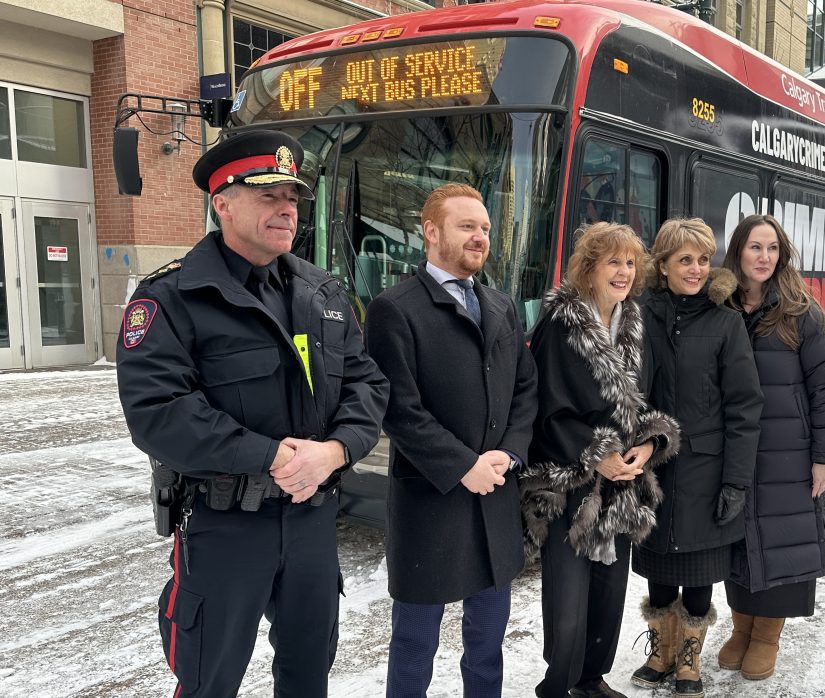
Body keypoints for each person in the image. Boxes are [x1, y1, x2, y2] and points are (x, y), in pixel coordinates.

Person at [116, 130, 390, 697]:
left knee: (309, 673)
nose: (287, 209)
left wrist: (335, 451)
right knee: (208, 680)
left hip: (312, 519)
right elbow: (159, 411)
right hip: (225, 527)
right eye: (269, 196)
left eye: (292, 197)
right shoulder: (171, 298)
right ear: (223, 203)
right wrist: (270, 455)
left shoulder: (324, 294)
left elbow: (367, 383)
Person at [364, 183, 538, 698]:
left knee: (487, 641)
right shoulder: (394, 308)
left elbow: (526, 389)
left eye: (485, 228)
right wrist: (464, 464)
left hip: (495, 498)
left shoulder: (502, 306)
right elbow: (398, 408)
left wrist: (508, 453)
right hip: (431, 501)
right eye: (468, 226)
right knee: (416, 642)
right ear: (431, 231)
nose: (480, 237)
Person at [520, 222, 680, 698]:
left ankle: (590, 680)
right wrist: (597, 456)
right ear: (588, 269)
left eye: (631, 262)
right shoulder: (560, 322)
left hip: (623, 487)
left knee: (608, 598)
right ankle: (558, 686)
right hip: (572, 485)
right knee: (568, 603)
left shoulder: (634, 321)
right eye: (613, 261)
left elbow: (652, 401)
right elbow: (545, 408)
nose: (624, 272)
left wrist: (650, 445)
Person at [630, 218, 763, 698]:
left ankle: (689, 659)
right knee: (658, 566)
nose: (696, 269)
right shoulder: (638, 313)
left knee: (699, 572)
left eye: (704, 260)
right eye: (685, 259)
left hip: (707, 469)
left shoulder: (725, 323)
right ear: (662, 265)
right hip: (652, 467)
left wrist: (736, 482)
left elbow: (745, 408)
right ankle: (662, 651)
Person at [719, 214, 825, 681]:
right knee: (736, 541)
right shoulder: (721, 305)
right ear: (738, 251)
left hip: (788, 452)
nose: (764, 257)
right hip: (736, 451)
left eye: (772, 248)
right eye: (755, 247)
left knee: (783, 541)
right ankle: (741, 628)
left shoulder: (801, 311)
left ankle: (767, 635)